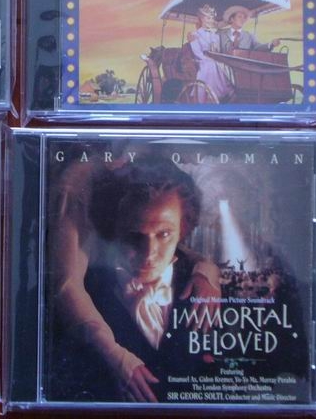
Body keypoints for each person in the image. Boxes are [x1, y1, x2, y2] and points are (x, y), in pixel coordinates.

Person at [48, 154, 220, 403]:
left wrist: (207, 270)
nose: (148, 254)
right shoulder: (77, 182)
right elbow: (66, 284)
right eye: (134, 237)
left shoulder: (202, 286)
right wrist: (115, 356)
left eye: (164, 234)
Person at [188, 4, 233, 102]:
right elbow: (197, 52)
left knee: (224, 64)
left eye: (212, 18)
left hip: (214, 58)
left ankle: (225, 92)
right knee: (211, 64)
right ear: (202, 19)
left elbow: (217, 50)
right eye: (208, 18)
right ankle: (211, 94)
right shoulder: (195, 34)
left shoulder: (215, 35)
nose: (210, 21)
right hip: (201, 59)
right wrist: (208, 59)